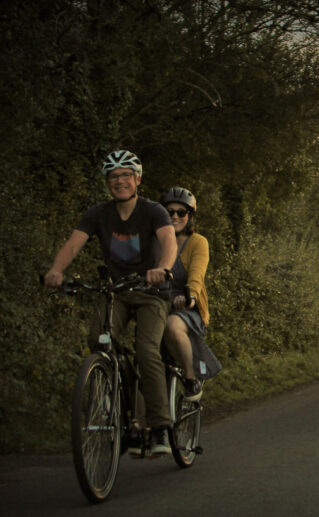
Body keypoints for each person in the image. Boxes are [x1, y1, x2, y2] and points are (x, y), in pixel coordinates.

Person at [44, 150, 177, 456]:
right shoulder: (98, 214)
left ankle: (158, 426)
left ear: (137, 179)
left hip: (150, 293)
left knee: (146, 350)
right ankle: (120, 399)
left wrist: (164, 268)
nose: (120, 181)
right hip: (116, 291)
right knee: (98, 340)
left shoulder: (153, 211)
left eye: (126, 175)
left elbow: (168, 241)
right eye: (114, 177)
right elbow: (74, 243)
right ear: (108, 183)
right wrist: (56, 270)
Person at [161, 187, 221, 401]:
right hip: (158, 304)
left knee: (173, 326)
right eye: (170, 212)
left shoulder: (198, 242)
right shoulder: (156, 241)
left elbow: (197, 274)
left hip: (187, 306)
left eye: (181, 213)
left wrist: (190, 296)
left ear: (189, 216)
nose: (175, 217)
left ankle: (190, 378)